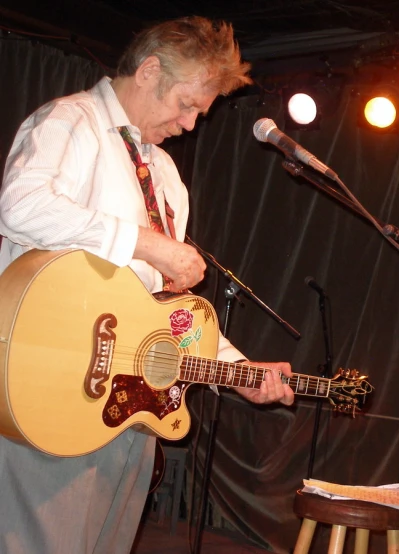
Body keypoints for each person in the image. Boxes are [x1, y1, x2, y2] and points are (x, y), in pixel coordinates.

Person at [0, 16, 294, 554]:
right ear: (150, 70)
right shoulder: (71, 122)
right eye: (185, 104)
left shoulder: (164, 175)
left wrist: (237, 370)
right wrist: (147, 242)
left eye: (198, 113)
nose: (189, 124)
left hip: (128, 412)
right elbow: (21, 207)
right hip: (50, 386)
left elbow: (164, 311)